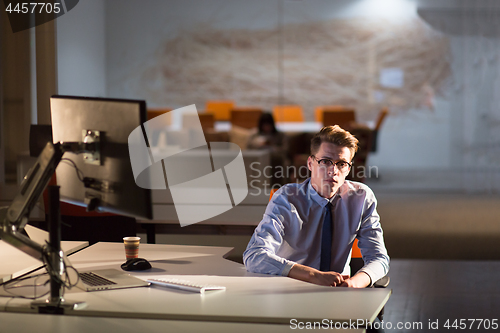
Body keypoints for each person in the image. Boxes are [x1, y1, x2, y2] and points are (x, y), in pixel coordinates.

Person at [243, 125, 389, 288]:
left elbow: (379, 258)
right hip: (290, 291)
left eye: (341, 163)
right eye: (325, 161)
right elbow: (254, 255)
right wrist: (313, 276)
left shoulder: (361, 198)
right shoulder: (286, 198)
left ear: (348, 169)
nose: (333, 171)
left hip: (339, 294)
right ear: (310, 163)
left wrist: (354, 283)